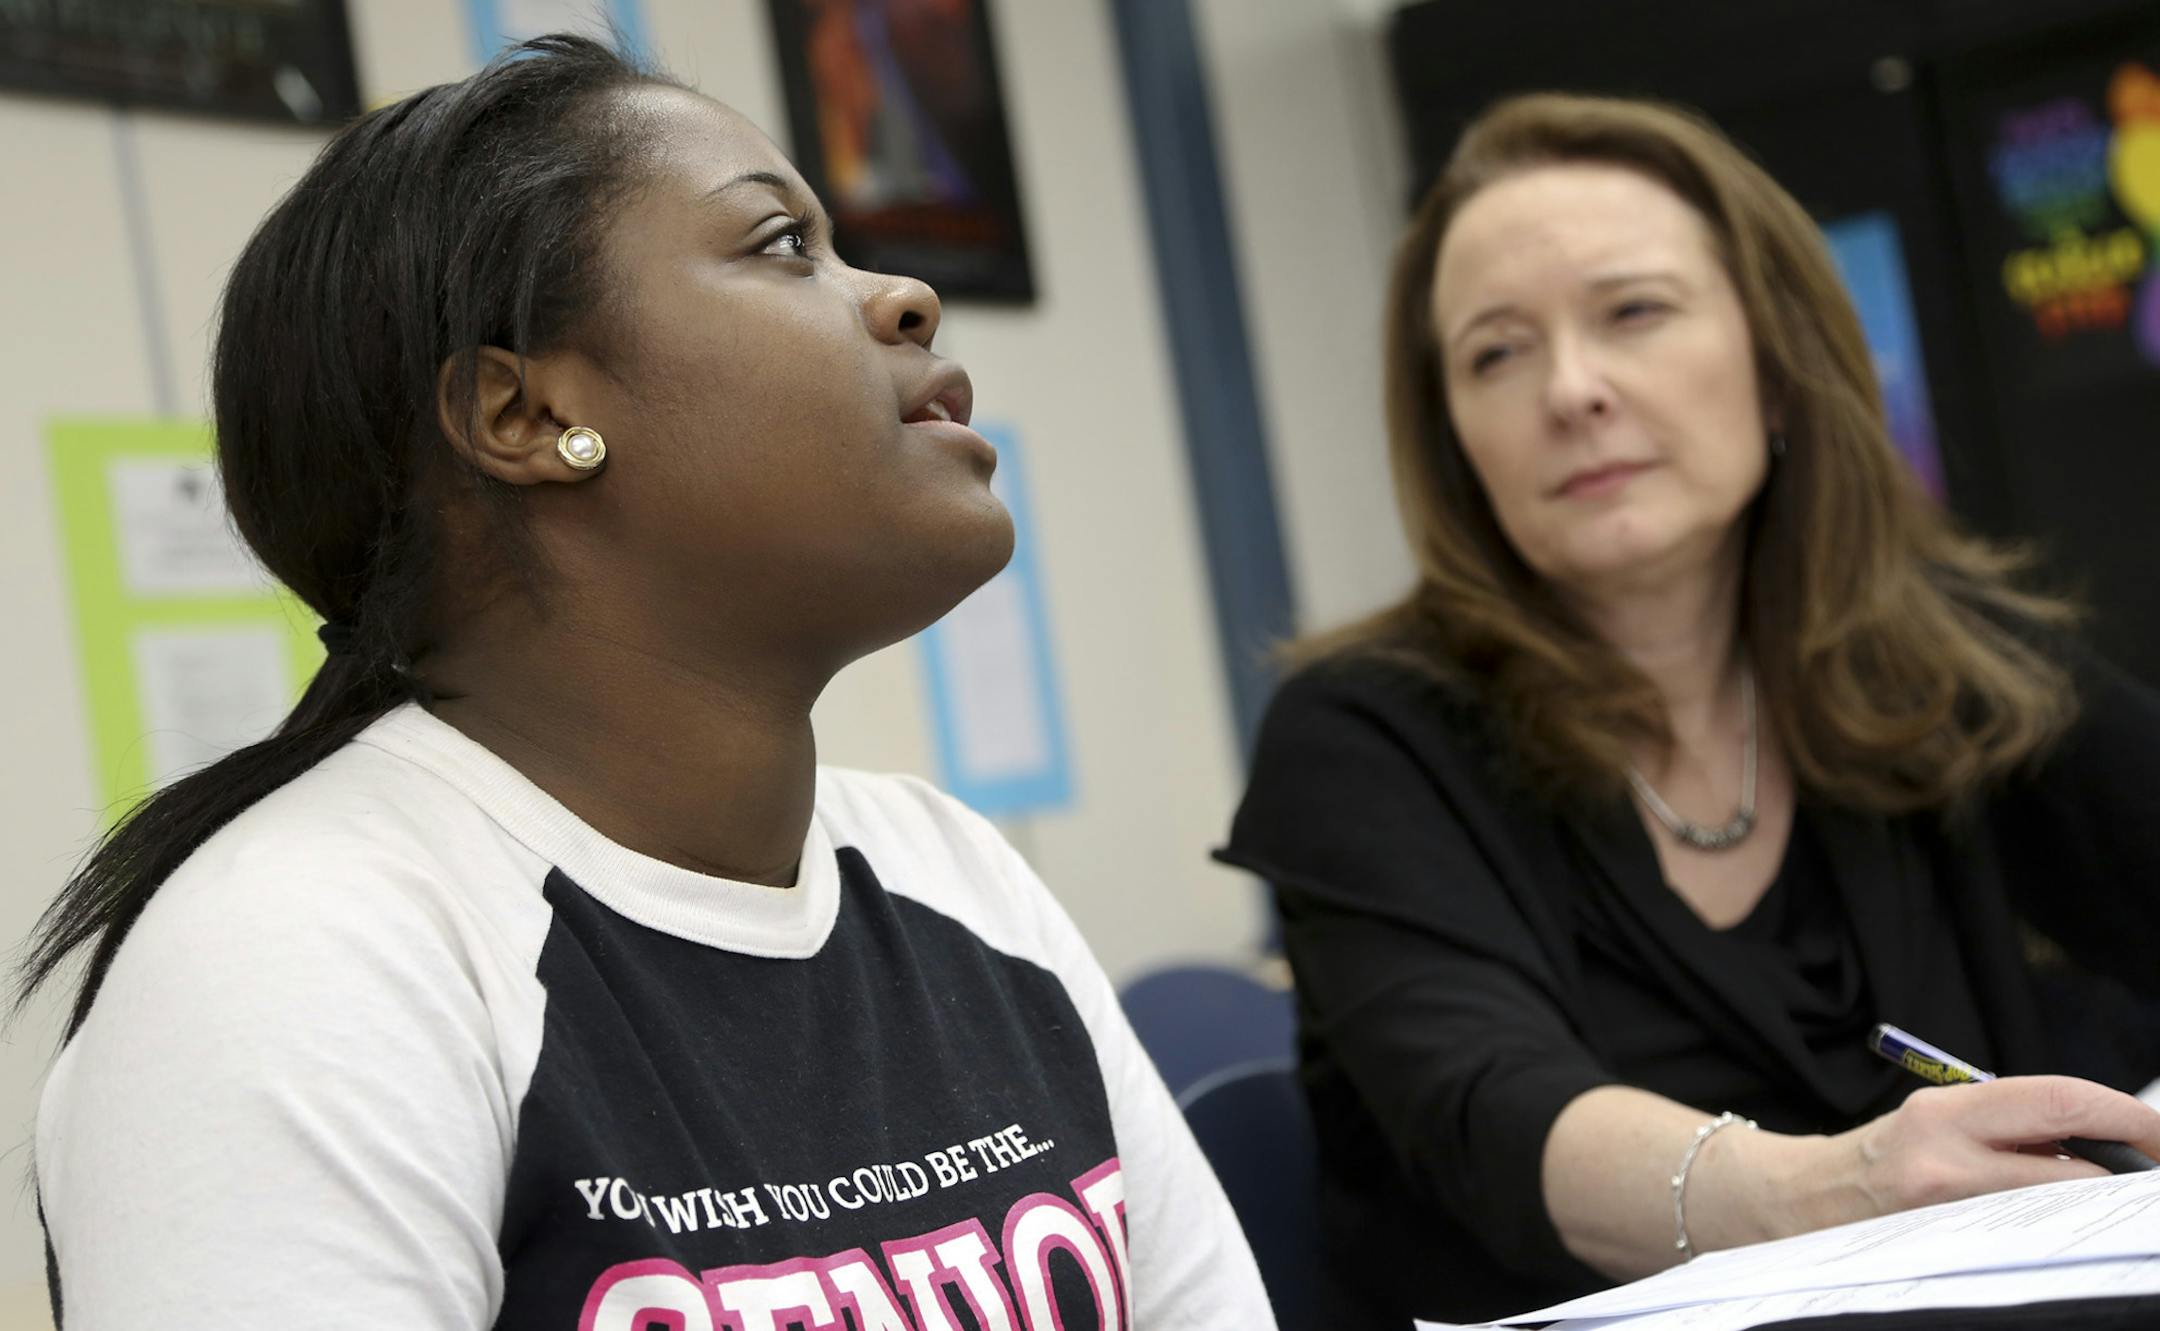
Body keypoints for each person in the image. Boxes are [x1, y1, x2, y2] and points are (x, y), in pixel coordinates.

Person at [24, 36, 1273, 1330]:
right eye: (783, 246)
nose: (905, 296)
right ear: (520, 414)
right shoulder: (292, 960)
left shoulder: (959, 875)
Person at [1217, 91, 2160, 1326]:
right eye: (1496, 351)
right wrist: (1841, 1182)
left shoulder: (1949, 662)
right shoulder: (1361, 733)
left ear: (1779, 365)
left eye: (1634, 312)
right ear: (1456, 442)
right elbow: (1496, 1109)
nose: (1572, 389)